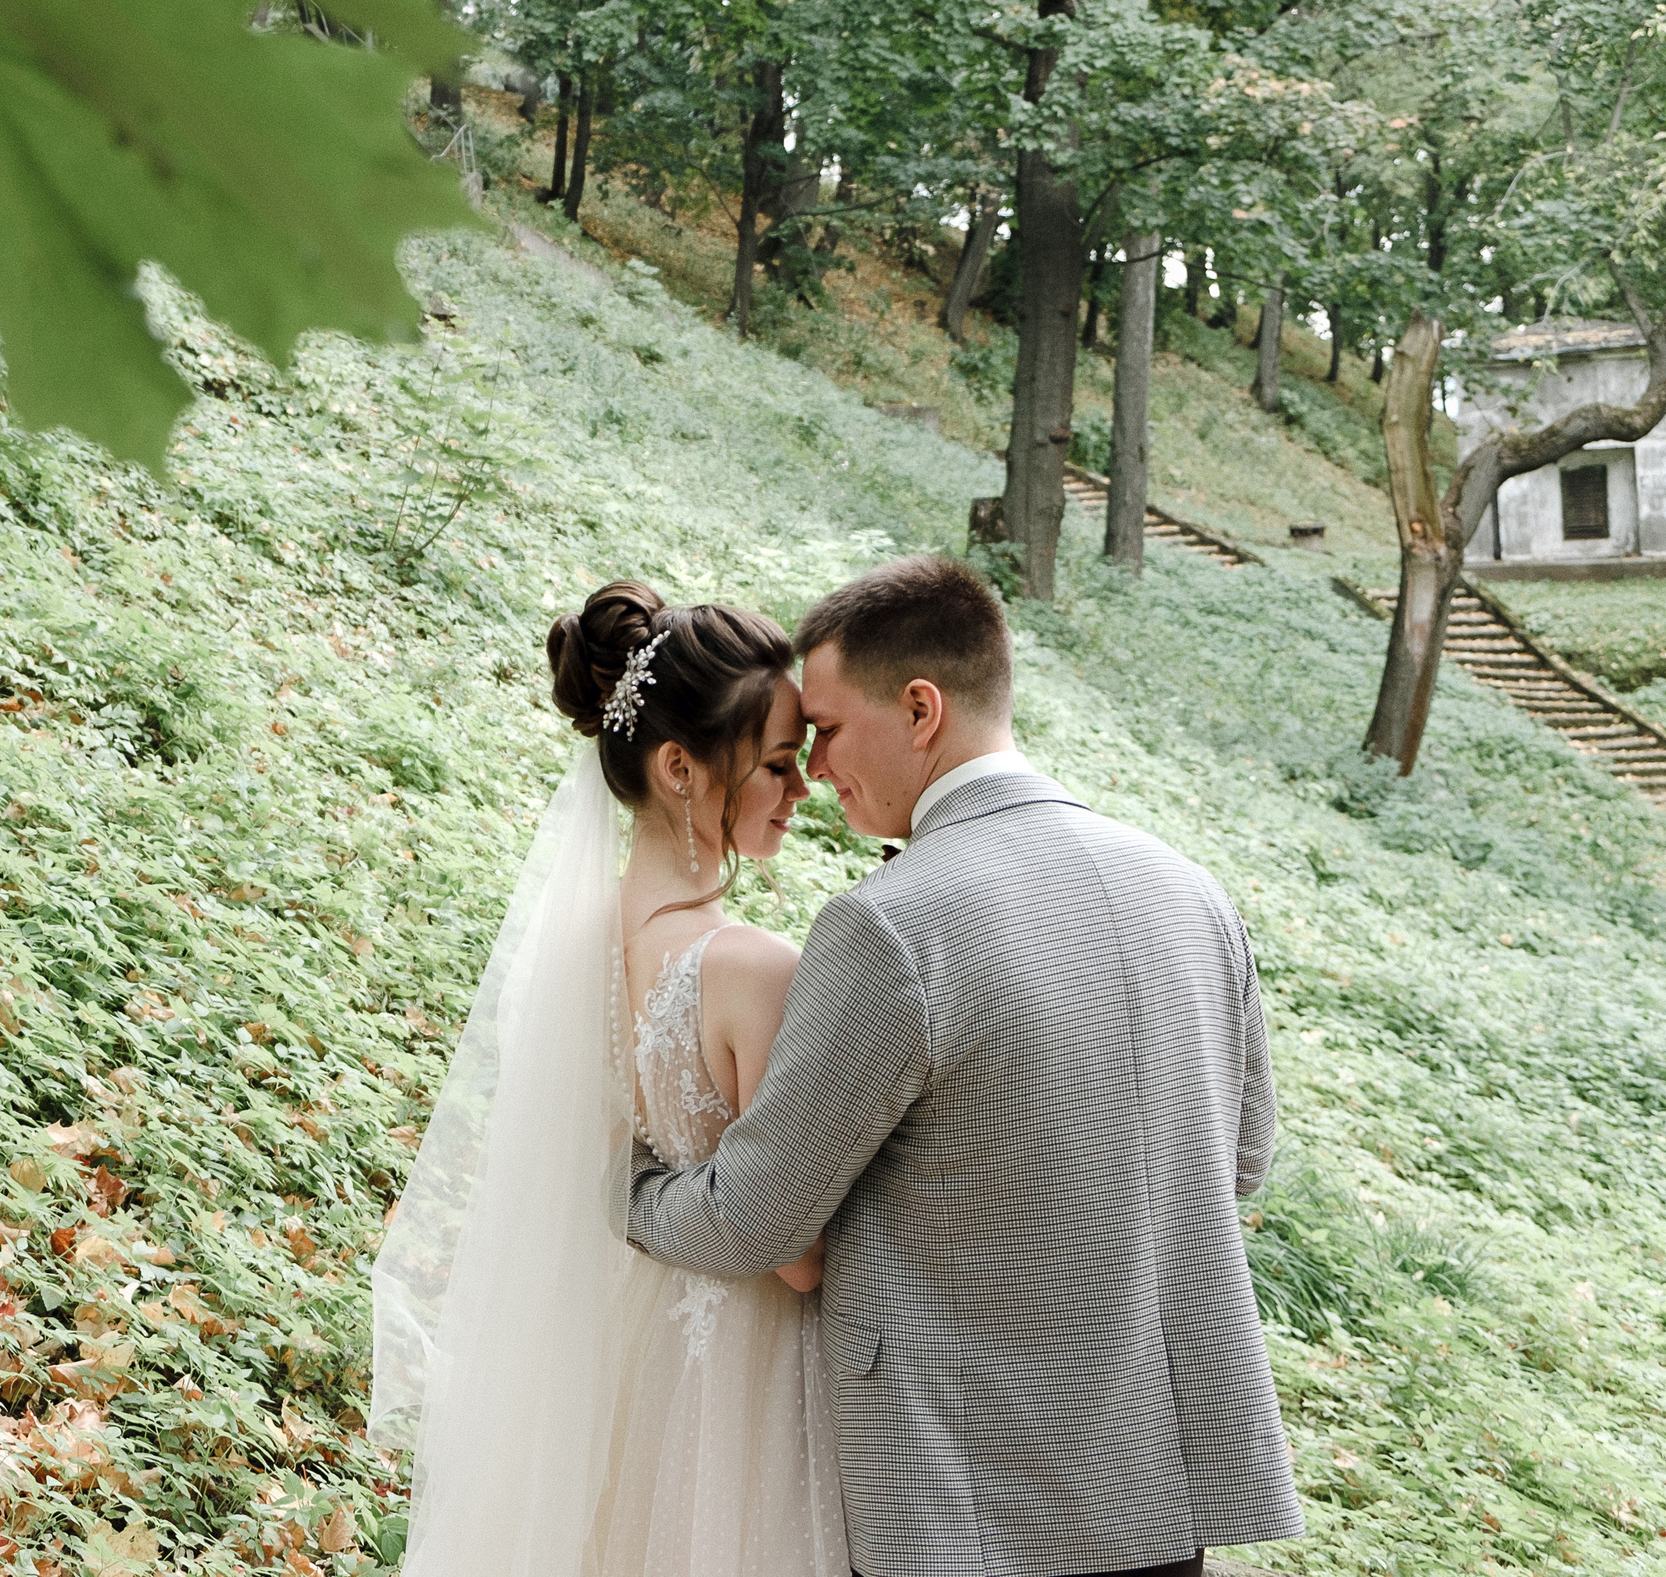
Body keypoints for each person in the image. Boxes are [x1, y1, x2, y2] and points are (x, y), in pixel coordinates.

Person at [625, 553, 1302, 1577]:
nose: (816, 766)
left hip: (964, 1502)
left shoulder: (891, 927)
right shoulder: (1190, 892)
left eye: (831, 729)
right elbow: (1239, 1158)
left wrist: (626, 1192)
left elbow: (755, 1217)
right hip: (1160, 1500)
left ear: (921, 708)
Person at [370, 580, 852, 1577]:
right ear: (681, 767)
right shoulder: (751, 968)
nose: (802, 790)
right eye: (775, 764)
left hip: (617, 1352)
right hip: (737, 1377)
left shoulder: (576, 942)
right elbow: (797, 1255)